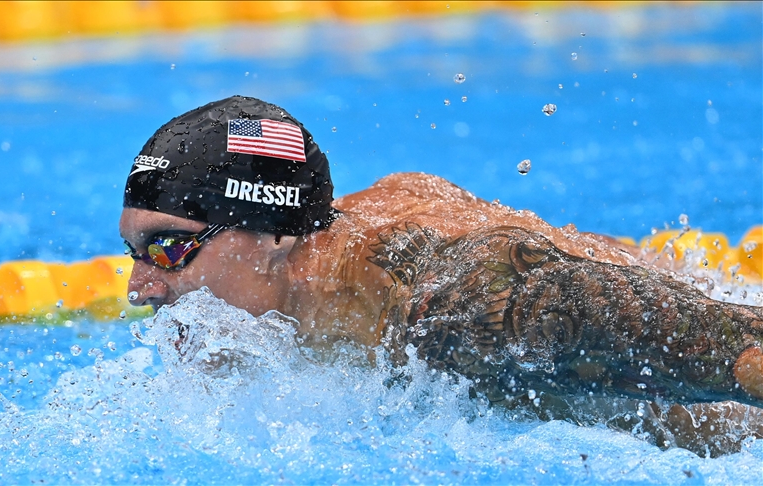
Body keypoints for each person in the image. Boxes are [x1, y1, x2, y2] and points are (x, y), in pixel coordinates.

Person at [120, 95, 762, 456]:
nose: (139, 287)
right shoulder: (316, 265)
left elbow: (740, 346)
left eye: (170, 248)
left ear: (276, 238)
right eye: (134, 253)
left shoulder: (447, 302)